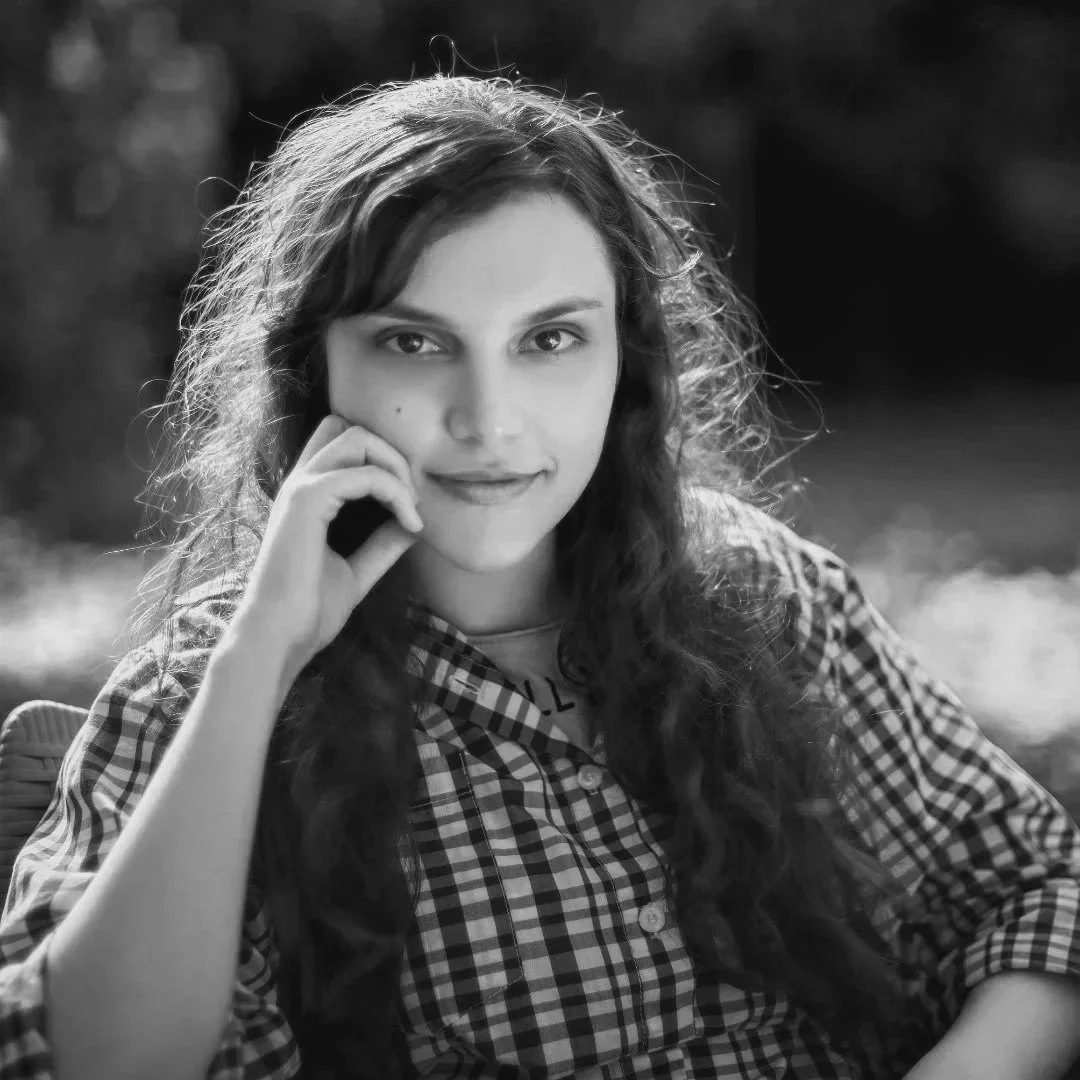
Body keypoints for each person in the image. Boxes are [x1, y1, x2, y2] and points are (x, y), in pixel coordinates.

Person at [1, 74, 1079, 1080]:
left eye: (551, 338)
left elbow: (1037, 890)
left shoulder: (763, 595)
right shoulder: (204, 687)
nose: (488, 420)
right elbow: (93, 1059)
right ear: (314, 365)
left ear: (628, 362)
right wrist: (261, 656)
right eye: (415, 344)